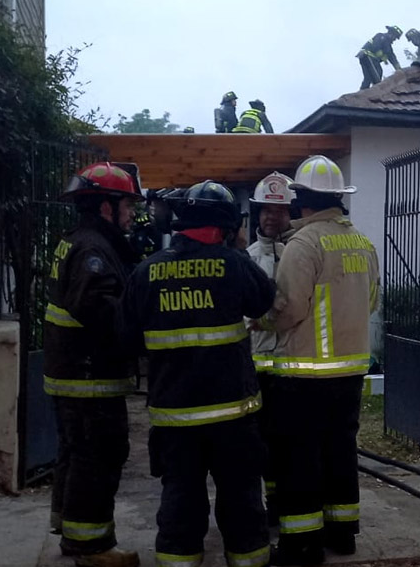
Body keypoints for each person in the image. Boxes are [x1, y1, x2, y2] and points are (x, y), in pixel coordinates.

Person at [122, 180, 277, 567]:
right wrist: (237, 251)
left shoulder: (146, 272)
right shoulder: (235, 263)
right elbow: (264, 300)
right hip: (232, 415)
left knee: (180, 498)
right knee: (242, 499)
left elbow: (126, 337)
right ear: (225, 226)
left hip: (174, 416)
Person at [270, 155, 379, 566]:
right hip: (350, 371)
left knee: (300, 458)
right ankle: (343, 533)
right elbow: (370, 301)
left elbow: (288, 308)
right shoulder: (362, 243)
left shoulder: (304, 244)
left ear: (303, 200)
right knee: (339, 452)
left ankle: (302, 544)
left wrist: (260, 319)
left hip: (305, 374)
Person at [43, 162, 143, 567]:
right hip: (89, 375)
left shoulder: (76, 240)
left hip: (70, 372)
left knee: (75, 452)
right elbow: (99, 311)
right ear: (106, 206)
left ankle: (70, 531)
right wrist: (140, 325)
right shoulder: (94, 251)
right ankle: (92, 547)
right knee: (99, 454)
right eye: (127, 205)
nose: (131, 214)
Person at [246, 171, 296, 524]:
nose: (270, 216)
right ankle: (271, 501)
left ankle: (288, 503)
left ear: (290, 213)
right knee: (260, 444)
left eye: (277, 211)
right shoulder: (247, 258)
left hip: (292, 366)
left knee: (289, 442)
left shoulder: (301, 252)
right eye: (265, 209)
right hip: (256, 368)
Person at [357, 25, 403, 89]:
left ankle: (362, 94)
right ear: (391, 33)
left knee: (368, 79)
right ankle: (377, 91)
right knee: (377, 75)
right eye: (395, 37)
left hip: (365, 57)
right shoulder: (381, 36)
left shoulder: (388, 46)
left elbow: (392, 58)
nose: (394, 39)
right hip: (368, 56)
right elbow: (375, 47)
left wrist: (399, 69)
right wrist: (384, 57)